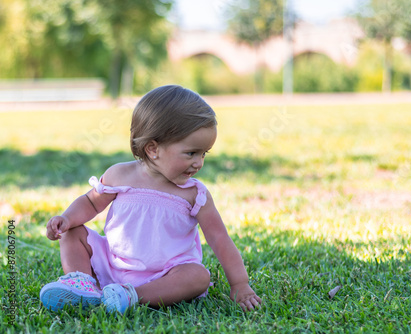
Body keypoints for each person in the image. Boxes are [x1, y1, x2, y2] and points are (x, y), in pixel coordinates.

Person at [40, 85, 261, 314]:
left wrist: (240, 284)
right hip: (111, 263)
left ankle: (132, 296)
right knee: (73, 231)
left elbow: (219, 239)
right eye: (191, 153)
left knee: (198, 276)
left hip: (165, 275)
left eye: (204, 153)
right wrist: (66, 218)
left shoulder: (195, 194)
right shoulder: (119, 175)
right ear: (153, 148)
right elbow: (91, 202)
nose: (199, 163)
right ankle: (83, 284)